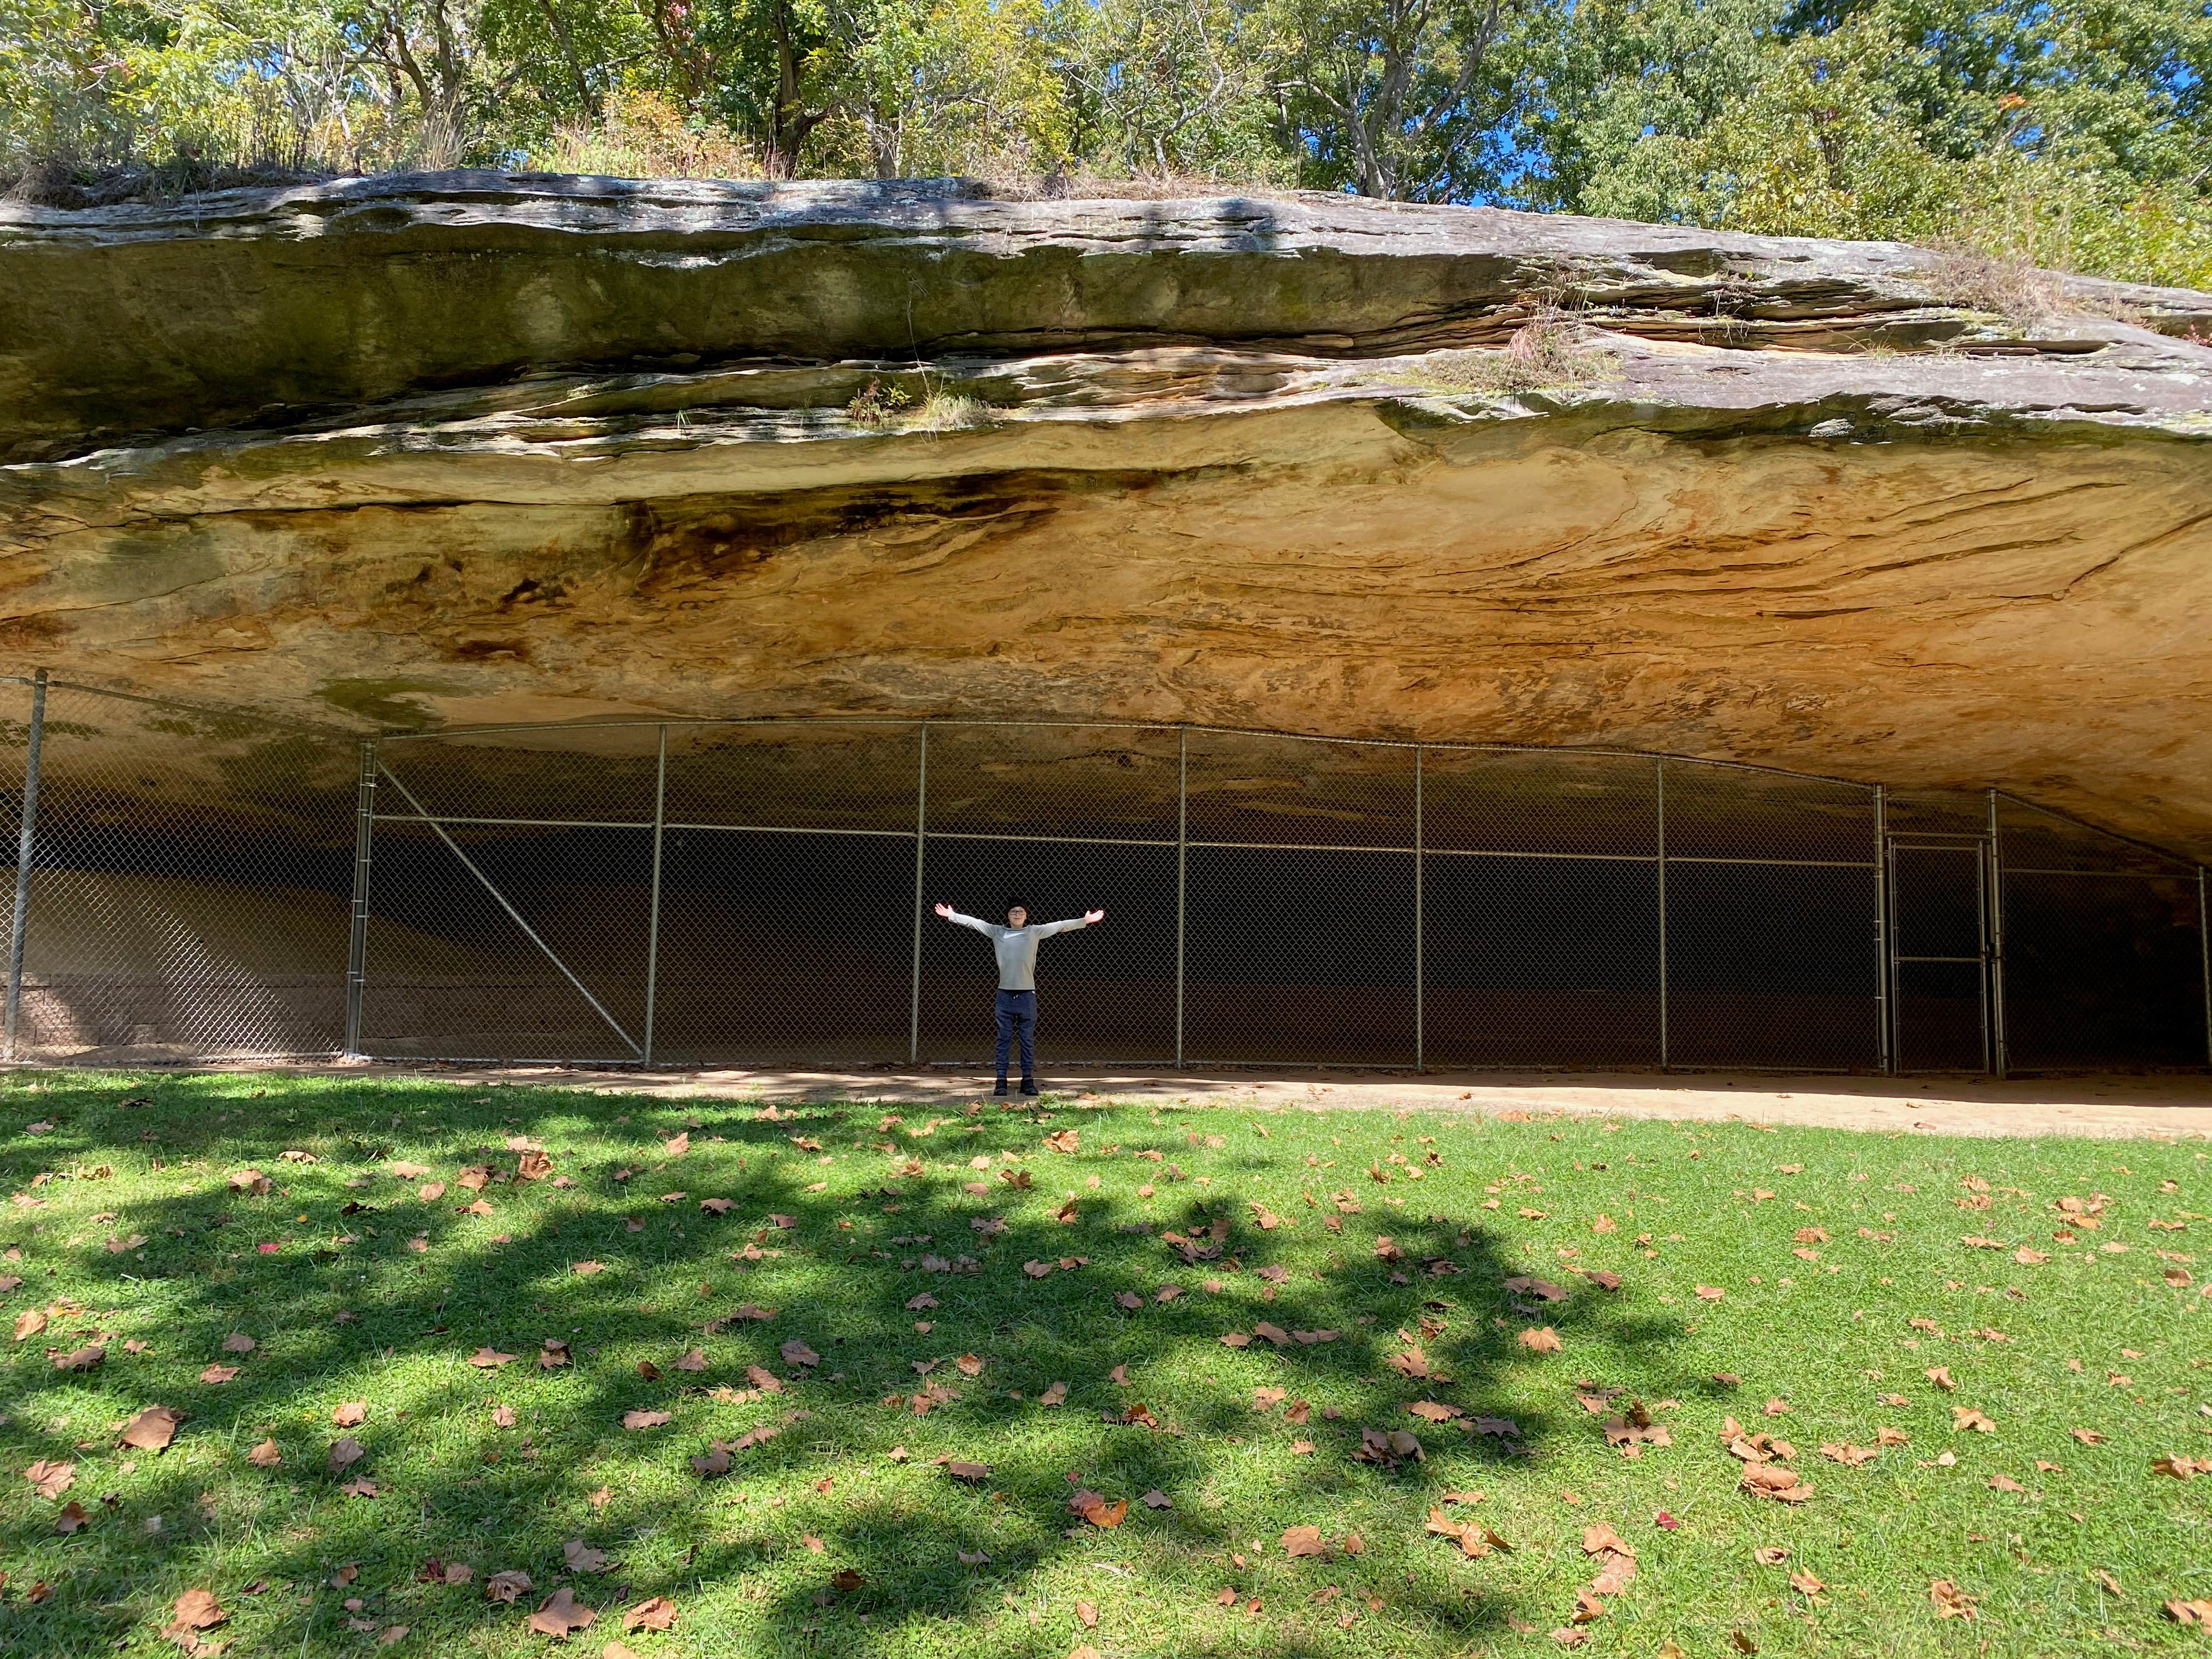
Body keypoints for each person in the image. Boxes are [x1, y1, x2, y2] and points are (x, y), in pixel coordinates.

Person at [933, 900, 1105, 1097]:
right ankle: (1001, 1082)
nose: (1017, 914)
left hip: (1027, 996)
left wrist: (1085, 920)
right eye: (1013, 911)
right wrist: (952, 916)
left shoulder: (1034, 932)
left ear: (1026, 916)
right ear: (1008, 915)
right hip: (1004, 995)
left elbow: (1060, 926)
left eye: (1021, 912)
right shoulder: (997, 932)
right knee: (1003, 1039)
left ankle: (1028, 1081)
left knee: (1027, 1041)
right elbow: (975, 923)